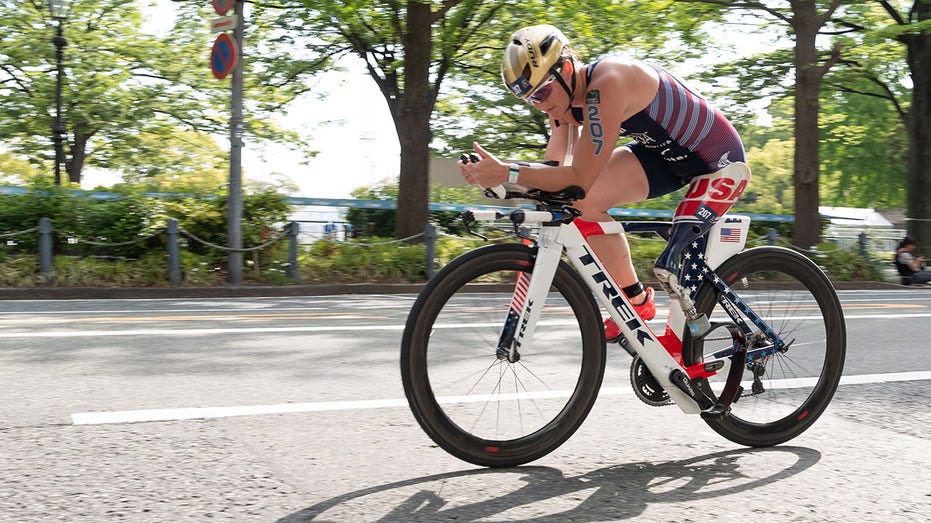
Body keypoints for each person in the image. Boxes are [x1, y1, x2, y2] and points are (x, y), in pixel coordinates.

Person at [458, 24, 750, 342]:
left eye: (541, 92)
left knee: (673, 265)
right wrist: (504, 178)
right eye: (530, 100)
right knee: (579, 205)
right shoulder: (563, 100)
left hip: (718, 162)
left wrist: (509, 172)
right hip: (662, 157)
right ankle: (636, 302)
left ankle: (686, 346)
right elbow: (554, 171)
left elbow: (579, 178)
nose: (540, 105)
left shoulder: (606, 84)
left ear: (566, 68)